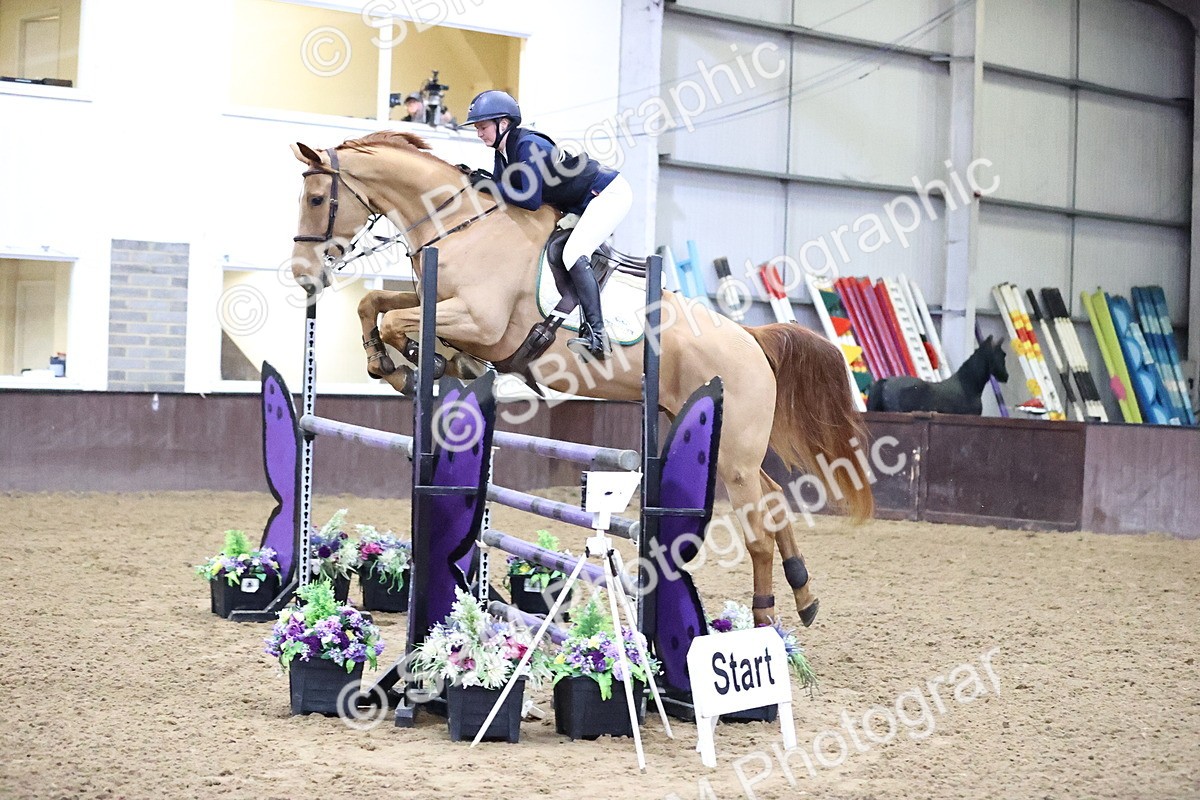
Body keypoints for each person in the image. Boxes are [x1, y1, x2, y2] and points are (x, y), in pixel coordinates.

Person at [465, 89, 631, 360]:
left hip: (606, 194)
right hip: (578, 202)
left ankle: (598, 336)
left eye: (482, 127)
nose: (479, 134)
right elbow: (502, 194)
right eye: (477, 128)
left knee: (573, 252)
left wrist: (488, 185)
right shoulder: (503, 153)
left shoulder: (528, 146)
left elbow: (530, 200)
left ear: (503, 123)